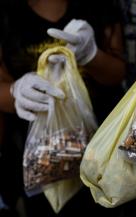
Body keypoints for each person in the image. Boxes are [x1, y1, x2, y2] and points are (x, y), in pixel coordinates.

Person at [0, 0, 128, 216]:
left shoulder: (100, 8)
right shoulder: (6, 15)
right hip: (42, 159)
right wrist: (15, 92)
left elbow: (118, 74)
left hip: (105, 152)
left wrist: (92, 55)